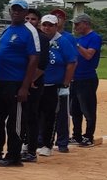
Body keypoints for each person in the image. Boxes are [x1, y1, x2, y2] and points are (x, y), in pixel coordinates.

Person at [0, 0, 39, 167]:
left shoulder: (29, 31)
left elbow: (33, 59)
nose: (16, 12)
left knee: (15, 121)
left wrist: (25, 86)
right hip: (0, 80)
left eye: (20, 10)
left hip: (16, 82)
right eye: (13, 9)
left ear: (25, 13)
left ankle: (14, 156)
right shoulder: (8, 29)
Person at [34, 13, 77, 158]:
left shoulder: (62, 41)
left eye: (50, 25)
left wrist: (66, 82)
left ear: (56, 26)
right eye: (44, 25)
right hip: (38, 83)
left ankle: (54, 143)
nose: (47, 28)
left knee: (54, 115)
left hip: (55, 84)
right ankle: (37, 141)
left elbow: (72, 62)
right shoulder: (38, 39)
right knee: (36, 114)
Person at [17, 5, 48, 163]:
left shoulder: (41, 37)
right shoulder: (24, 35)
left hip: (33, 83)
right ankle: (23, 145)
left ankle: (31, 150)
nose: (29, 21)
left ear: (38, 21)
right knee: (20, 116)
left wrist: (30, 81)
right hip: (22, 81)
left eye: (33, 19)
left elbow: (42, 64)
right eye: (27, 18)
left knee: (31, 116)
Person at [70, 13, 102, 147]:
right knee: (75, 109)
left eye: (78, 24)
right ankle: (76, 135)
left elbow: (89, 55)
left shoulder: (94, 37)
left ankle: (88, 136)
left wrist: (76, 45)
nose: (75, 26)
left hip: (87, 78)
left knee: (87, 108)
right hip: (75, 78)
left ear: (86, 23)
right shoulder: (81, 38)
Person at [49, 9, 77, 153]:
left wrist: (67, 81)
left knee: (62, 113)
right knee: (46, 113)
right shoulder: (43, 36)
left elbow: (72, 61)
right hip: (46, 82)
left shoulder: (68, 38)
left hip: (61, 82)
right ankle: (45, 140)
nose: (57, 19)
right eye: (55, 16)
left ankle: (62, 142)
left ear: (64, 21)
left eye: (60, 17)